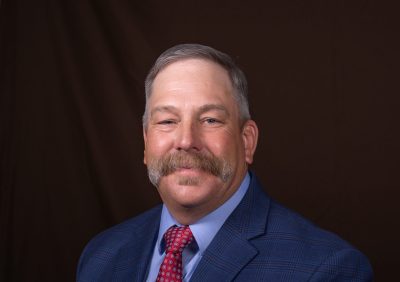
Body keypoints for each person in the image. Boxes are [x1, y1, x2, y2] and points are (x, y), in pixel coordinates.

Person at [77, 44, 373, 281]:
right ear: (145, 143)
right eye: (167, 121)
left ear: (247, 140)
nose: (186, 139)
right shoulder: (101, 256)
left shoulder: (325, 269)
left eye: (210, 120)